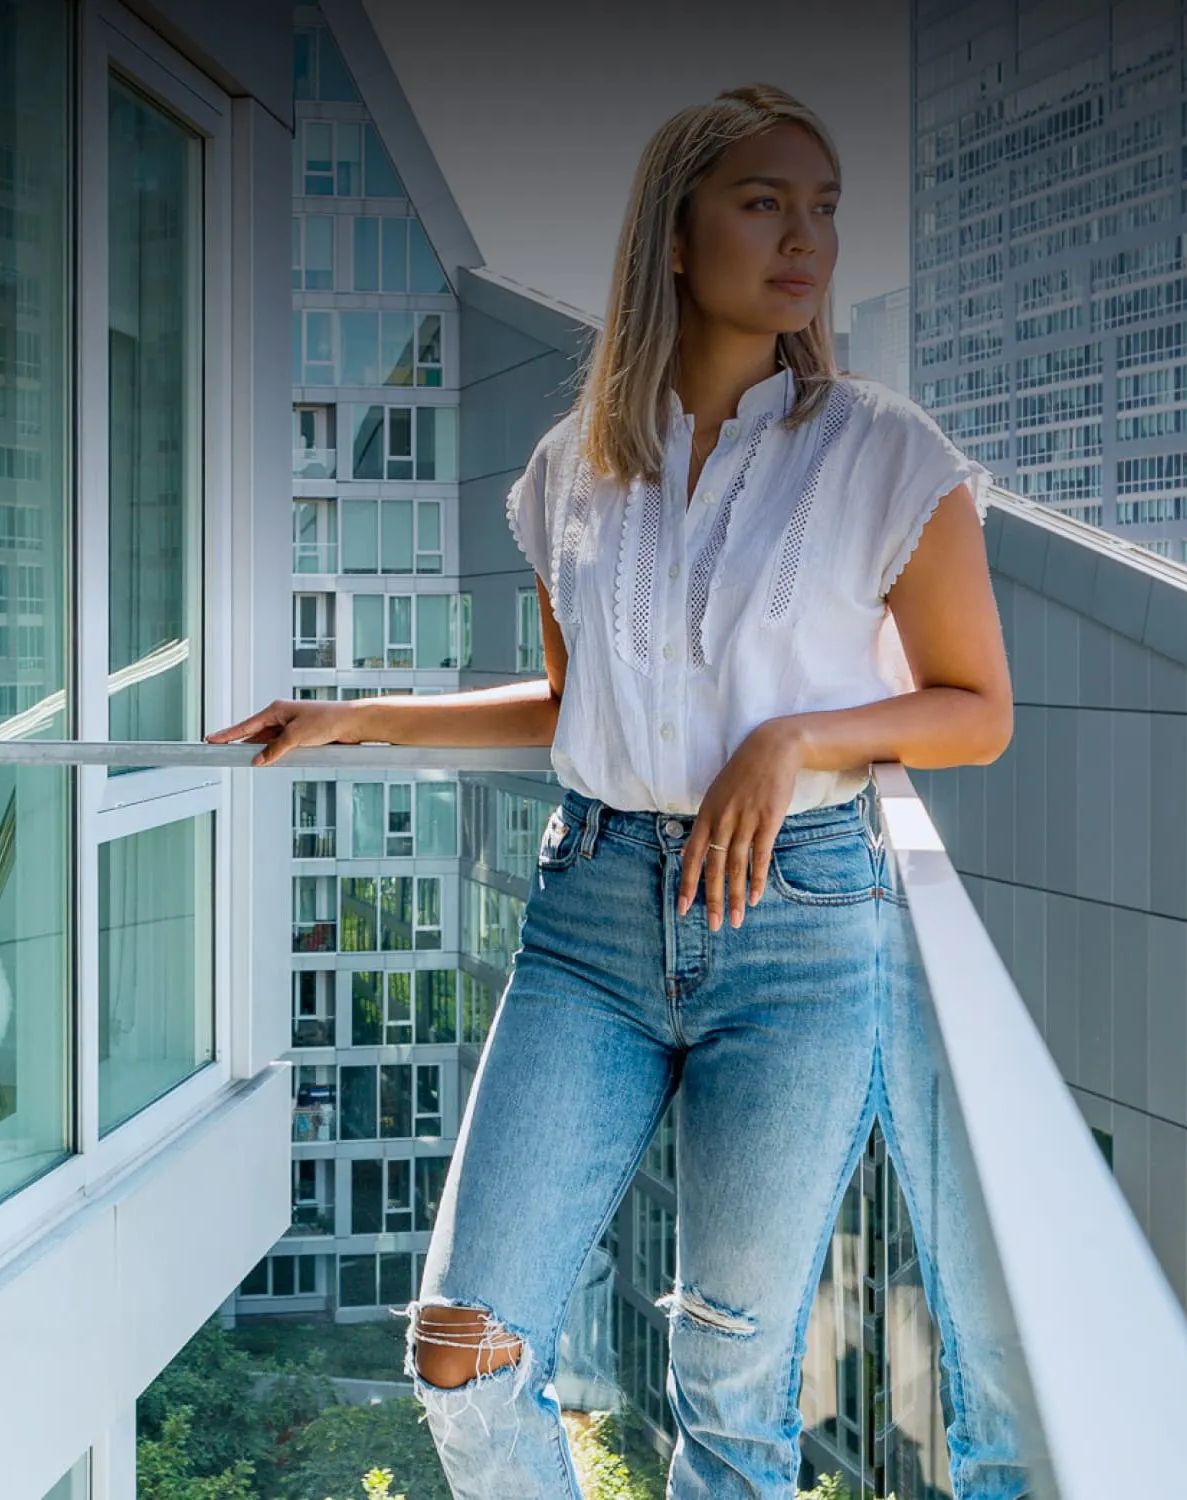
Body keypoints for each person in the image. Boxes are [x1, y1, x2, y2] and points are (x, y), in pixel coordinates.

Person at [208, 86, 1020, 1499]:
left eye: (824, 206)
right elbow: (574, 706)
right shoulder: (569, 468)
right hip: (587, 920)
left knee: (730, 1391)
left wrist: (795, 743)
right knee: (463, 1348)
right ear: (674, 233)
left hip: (803, 927)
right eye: (765, 202)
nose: (805, 238)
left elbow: (976, 711)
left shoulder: (890, 455)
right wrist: (358, 718)